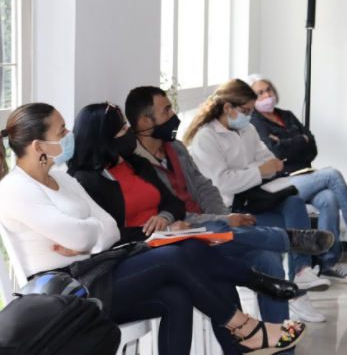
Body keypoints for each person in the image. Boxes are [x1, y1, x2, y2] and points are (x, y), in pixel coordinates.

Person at [0, 103, 307, 355]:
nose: (70, 135)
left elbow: (109, 229)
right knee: (175, 255)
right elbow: (86, 235)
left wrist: (88, 238)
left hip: (96, 268)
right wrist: (89, 235)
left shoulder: (61, 177)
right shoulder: (15, 189)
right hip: (65, 294)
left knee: (177, 293)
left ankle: (248, 332)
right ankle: (247, 326)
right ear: (38, 145)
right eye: (62, 131)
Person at [122, 88, 333, 335]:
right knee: (218, 228)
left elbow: (205, 187)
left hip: (214, 230)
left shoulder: (175, 148)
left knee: (268, 257)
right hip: (185, 236)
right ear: (145, 122)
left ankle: (279, 345)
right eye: (166, 110)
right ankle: (288, 239)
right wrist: (225, 219)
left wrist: (225, 217)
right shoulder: (135, 163)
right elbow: (176, 214)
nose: (173, 115)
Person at [183, 79, 332, 323]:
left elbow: (272, 162)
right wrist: (257, 171)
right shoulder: (206, 138)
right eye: (246, 110)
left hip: (254, 201)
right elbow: (221, 184)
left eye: (252, 111)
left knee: (294, 203)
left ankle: (302, 271)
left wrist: (248, 172)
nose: (250, 116)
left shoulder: (248, 129)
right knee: (271, 255)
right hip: (229, 212)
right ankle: (286, 311)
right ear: (227, 107)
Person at [246, 74, 347, 284]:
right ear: (251, 99)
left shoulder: (287, 116)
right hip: (279, 182)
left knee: (329, 197)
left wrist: (290, 142)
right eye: (260, 93)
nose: (267, 95)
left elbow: (312, 149)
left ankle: (328, 263)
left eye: (269, 89)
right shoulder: (255, 121)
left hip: (304, 176)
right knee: (332, 175)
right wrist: (299, 140)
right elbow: (276, 152)